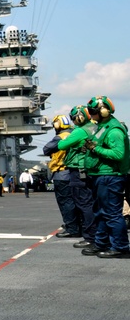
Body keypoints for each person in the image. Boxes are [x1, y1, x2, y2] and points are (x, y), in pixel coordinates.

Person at [79, 96, 130, 259]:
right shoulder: (102, 127)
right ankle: (102, 243)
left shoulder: (114, 130)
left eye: (94, 112)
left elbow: (118, 154)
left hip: (109, 176)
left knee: (112, 213)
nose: (91, 115)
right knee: (101, 212)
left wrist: (95, 149)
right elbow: (97, 144)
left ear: (103, 111)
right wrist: (88, 147)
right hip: (100, 175)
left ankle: (121, 246)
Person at [58, 105, 99, 246]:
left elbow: (61, 145)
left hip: (78, 170)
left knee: (84, 204)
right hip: (90, 169)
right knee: (91, 203)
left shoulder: (80, 131)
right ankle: (95, 235)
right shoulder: (95, 127)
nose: (74, 121)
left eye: (74, 118)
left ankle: (90, 238)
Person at [43, 115, 80, 237]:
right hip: (75, 173)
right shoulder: (75, 134)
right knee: (77, 201)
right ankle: (77, 225)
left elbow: (46, 149)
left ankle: (72, 228)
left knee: (65, 202)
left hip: (62, 174)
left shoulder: (60, 137)